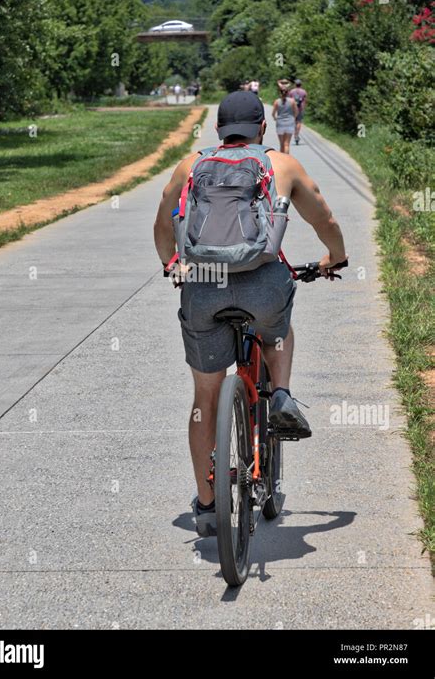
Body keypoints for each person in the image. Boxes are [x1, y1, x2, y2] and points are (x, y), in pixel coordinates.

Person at [153, 91, 346, 536]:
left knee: (205, 400)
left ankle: (206, 506)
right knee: (278, 326)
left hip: (203, 288)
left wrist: (171, 264)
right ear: (262, 127)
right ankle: (280, 394)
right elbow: (326, 220)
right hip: (263, 283)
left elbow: (164, 222)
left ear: (218, 129)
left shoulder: (192, 165)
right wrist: (333, 257)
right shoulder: (281, 164)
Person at [272, 79, 298, 154]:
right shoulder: (292, 101)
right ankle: (287, 159)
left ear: (280, 93)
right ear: (288, 93)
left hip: (280, 123)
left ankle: (282, 161)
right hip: (290, 123)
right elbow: (296, 112)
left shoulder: (277, 101)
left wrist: (275, 118)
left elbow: (273, 113)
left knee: (281, 144)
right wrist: (293, 118)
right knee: (287, 144)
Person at [289, 78, 307, 145]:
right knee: (299, 122)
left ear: (295, 84)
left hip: (293, 109)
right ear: (300, 84)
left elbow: (289, 100)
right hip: (300, 109)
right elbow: (305, 101)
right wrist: (304, 108)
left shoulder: (291, 91)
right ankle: (297, 134)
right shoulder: (303, 92)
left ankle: (295, 134)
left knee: (294, 122)